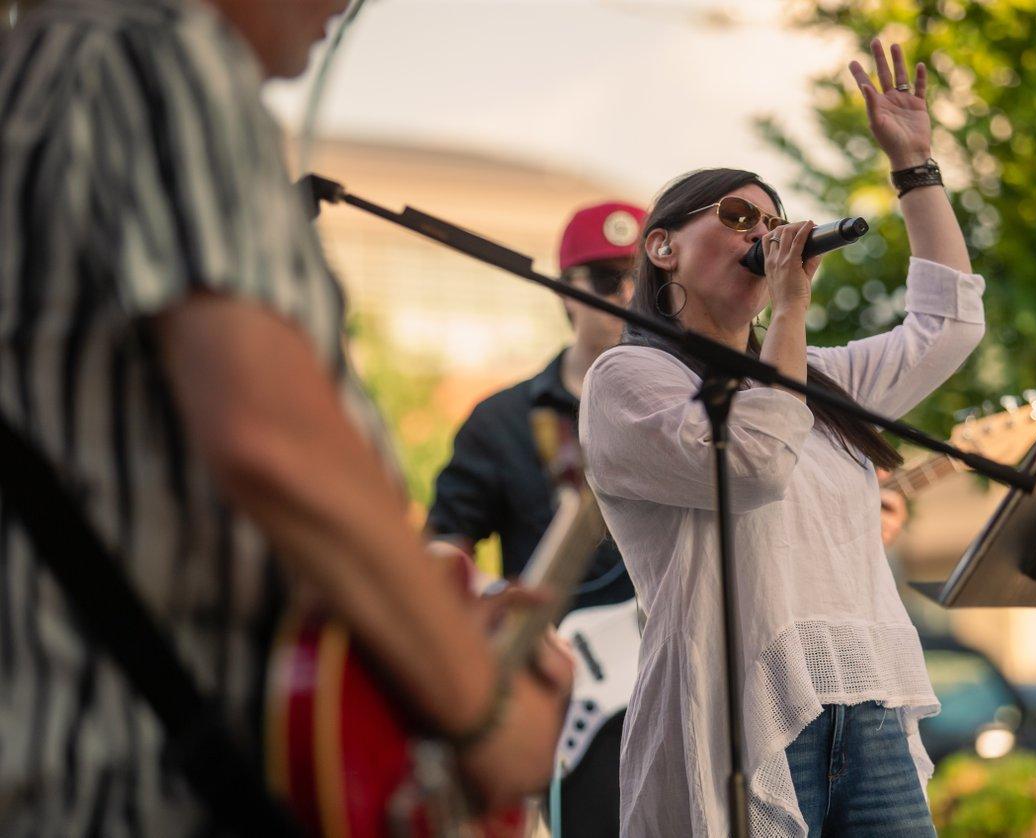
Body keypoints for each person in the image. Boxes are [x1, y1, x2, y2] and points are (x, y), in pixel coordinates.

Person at [0, 1, 568, 834]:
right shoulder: (153, 49)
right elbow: (273, 442)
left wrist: (409, 633)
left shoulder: (59, 66)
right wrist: (481, 710)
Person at [579, 39, 985, 836]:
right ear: (663, 247)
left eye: (773, 222)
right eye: (737, 218)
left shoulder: (821, 382)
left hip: (863, 704)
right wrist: (791, 312)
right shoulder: (629, 382)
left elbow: (949, 325)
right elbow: (755, 464)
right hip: (739, 711)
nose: (763, 237)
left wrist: (915, 168)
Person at [428, 201, 644, 612]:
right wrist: (493, 600)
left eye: (643, 278)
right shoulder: (499, 422)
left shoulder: (694, 409)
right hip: (560, 658)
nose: (629, 294)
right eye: (607, 279)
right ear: (564, 292)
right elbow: (444, 543)